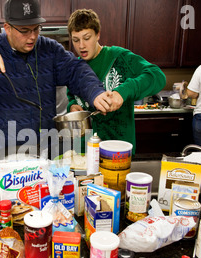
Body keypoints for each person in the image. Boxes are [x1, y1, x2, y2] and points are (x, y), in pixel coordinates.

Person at [0, 0, 114, 157]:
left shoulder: (50, 49)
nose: (32, 36)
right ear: (8, 28)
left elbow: (77, 71)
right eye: (24, 31)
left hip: (48, 149)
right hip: (7, 152)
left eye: (36, 29)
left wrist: (96, 93)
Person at [66, 9, 166, 155]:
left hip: (117, 151)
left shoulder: (119, 58)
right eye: (76, 40)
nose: (81, 46)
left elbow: (157, 76)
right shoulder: (74, 68)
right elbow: (71, 97)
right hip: (84, 152)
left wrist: (123, 91)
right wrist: (73, 106)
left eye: (87, 38)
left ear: (98, 34)